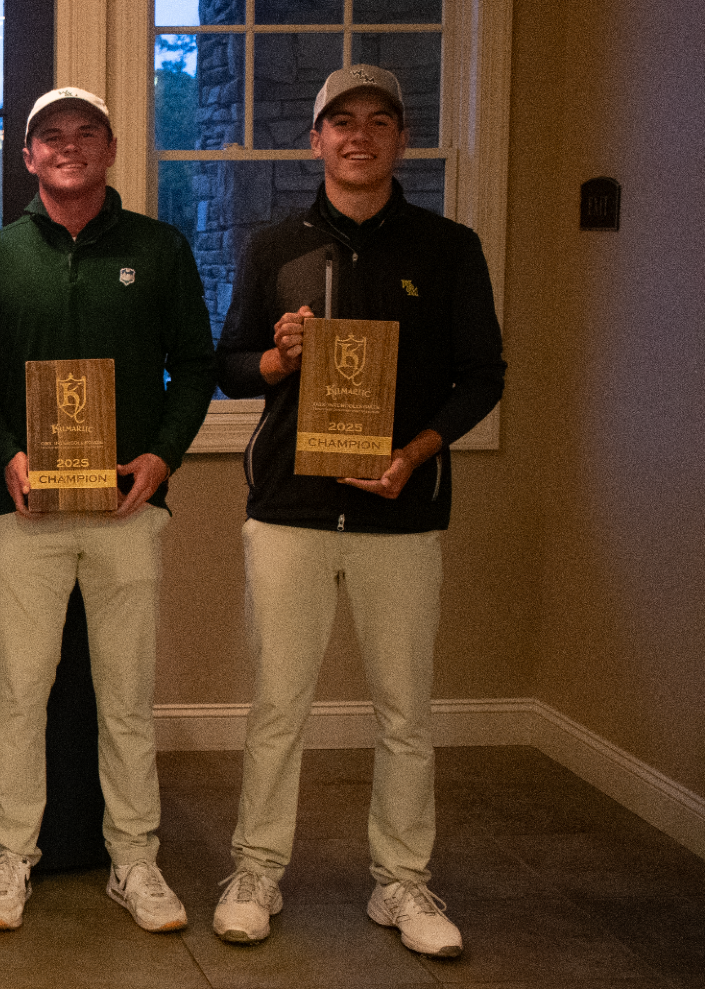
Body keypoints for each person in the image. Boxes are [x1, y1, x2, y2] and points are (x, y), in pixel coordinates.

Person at [212, 64, 506, 957]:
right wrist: (277, 358)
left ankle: (402, 883)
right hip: (290, 512)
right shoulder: (275, 247)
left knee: (405, 710)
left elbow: (483, 373)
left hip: (401, 512)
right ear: (316, 140)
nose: (360, 136)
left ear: (401, 141)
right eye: (342, 122)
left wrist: (414, 455)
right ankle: (257, 869)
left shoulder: (447, 247)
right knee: (278, 704)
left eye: (380, 122)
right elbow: (228, 366)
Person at [0, 88, 216, 932]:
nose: (68, 148)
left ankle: (136, 860)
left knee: (125, 697)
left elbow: (196, 363)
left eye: (85, 134)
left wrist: (164, 455)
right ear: (29, 157)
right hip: (26, 516)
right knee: (20, 694)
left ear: (109, 149)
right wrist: (6, 456)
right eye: (50, 137)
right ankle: (9, 859)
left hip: (126, 512)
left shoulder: (159, 247)